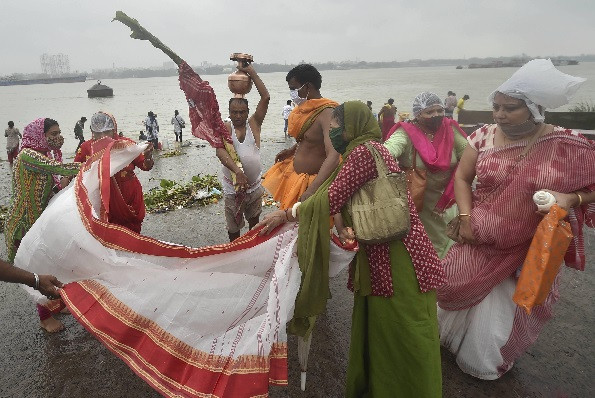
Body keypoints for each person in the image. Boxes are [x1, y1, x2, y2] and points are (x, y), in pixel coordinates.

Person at [257, 101, 445, 397]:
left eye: (334, 126)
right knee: (386, 327)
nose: (330, 132)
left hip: (398, 258)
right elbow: (344, 193)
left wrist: (286, 213)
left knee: (403, 330)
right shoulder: (369, 149)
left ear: (351, 126)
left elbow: (328, 199)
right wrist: (342, 224)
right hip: (392, 250)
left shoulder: (362, 153)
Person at [437, 59, 594, 380]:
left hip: (526, 244)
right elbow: (463, 179)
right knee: (453, 286)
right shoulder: (482, 136)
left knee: (499, 311)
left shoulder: (564, 142)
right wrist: (465, 217)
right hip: (478, 233)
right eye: (495, 107)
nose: (498, 114)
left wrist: (569, 199)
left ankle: (484, 359)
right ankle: (451, 341)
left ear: (535, 109)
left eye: (509, 108)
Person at [4, 118, 81, 332]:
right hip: (23, 223)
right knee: (36, 268)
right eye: (53, 134)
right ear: (40, 134)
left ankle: (55, 305)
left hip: (38, 221)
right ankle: (45, 317)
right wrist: (92, 164)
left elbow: (53, 190)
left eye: (59, 133)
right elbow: (60, 168)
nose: (58, 138)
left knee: (52, 263)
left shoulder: (44, 155)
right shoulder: (28, 155)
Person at [384, 92, 468, 258]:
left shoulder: (450, 129)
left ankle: (446, 278)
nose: (436, 115)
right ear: (418, 114)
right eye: (429, 112)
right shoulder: (407, 132)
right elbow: (391, 148)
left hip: (448, 198)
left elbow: (469, 153)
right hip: (418, 200)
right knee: (421, 245)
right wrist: (376, 153)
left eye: (439, 110)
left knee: (449, 242)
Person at [262, 64, 339, 209]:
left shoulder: (327, 113)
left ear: (308, 87)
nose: (291, 93)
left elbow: (333, 156)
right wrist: (291, 150)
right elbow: (310, 138)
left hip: (314, 185)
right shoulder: (305, 110)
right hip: (297, 180)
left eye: (293, 88)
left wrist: (312, 190)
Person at [75, 111, 154, 233]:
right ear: (92, 131)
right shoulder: (86, 148)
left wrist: (148, 157)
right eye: (98, 132)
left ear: (114, 130)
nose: (102, 136)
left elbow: (145, 166)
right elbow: (75, 171)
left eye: (106, 131)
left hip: (128, 199)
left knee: (132, 233)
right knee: (106, 234)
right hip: (103, 199)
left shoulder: (125, 145)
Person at [218, 64, 270, 241]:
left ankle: (253, 249)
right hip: (232, 188)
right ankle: (236, 253)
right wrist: (238, 172)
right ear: (229, 112)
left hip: (254, 186)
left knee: (254, 222)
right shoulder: (225, 127)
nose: (238, 116)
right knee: (233, 227)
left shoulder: (253, 124)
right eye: (234, 112)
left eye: (241, 112)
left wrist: (252, 72)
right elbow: (220, 152)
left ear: (248, 112)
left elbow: (266, 97)